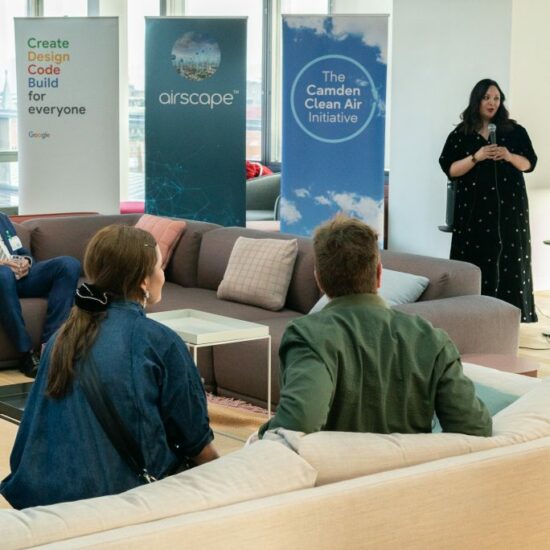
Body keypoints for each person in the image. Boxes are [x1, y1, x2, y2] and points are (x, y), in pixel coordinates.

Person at [0, 224, 218, 509]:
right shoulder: (160, 342)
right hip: (124, 501)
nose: (162, 275)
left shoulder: (60, 338)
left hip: (45, 500)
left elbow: (25, 445)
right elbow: (197, 443)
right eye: (159, 267)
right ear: (144, 281)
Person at [259, 214, 491, 438]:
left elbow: (297, 425)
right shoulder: (432, 339)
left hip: (335, 466)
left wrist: (263, 433)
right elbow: (473, 427)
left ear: (319, 279)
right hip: (412, 465)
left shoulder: (307, 335)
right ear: (379, 273)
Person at [439, 78, 538, 322]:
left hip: (509, 212)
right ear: (477, 100)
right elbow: (450, 169)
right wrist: (477, 156)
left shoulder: (514, 131)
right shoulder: (461, 134)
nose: (492, 102)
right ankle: (470, 317)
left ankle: (508, 319)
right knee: (474, 262)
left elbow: (529, 164)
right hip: (473, 213)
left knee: (509, 261)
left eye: (496, 98)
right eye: (487, 98)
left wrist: (509, 155)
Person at [0, 212, 81, 377]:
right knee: (4, 274)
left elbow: (21, 251)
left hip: (20, 277)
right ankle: (26, 353)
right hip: (3, 277)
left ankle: (50, 349)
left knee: (68, 264)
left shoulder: (1, 218)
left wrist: (26, 262)